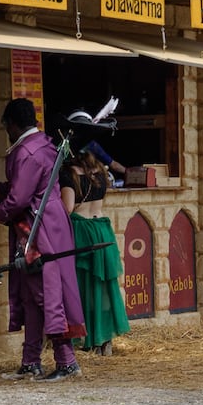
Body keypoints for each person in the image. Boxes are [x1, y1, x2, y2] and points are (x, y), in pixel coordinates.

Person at [0, 98, 85, 383]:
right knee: (32, 294)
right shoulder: (44, 144)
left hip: (39, 229)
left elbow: (19, 197)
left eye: (6, 125)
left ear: (13, 123)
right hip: (48, 224)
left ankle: (66, 361)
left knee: (46, 294)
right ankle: (31, 360)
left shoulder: (28, 152)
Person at [58, 135, 129, 356]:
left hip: (82, 231)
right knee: (104, 287)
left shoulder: (68, 174)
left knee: (83, 287)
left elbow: (67, 208)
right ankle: (104, 339)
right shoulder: (100, 173)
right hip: (102, 229)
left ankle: (88, 339)